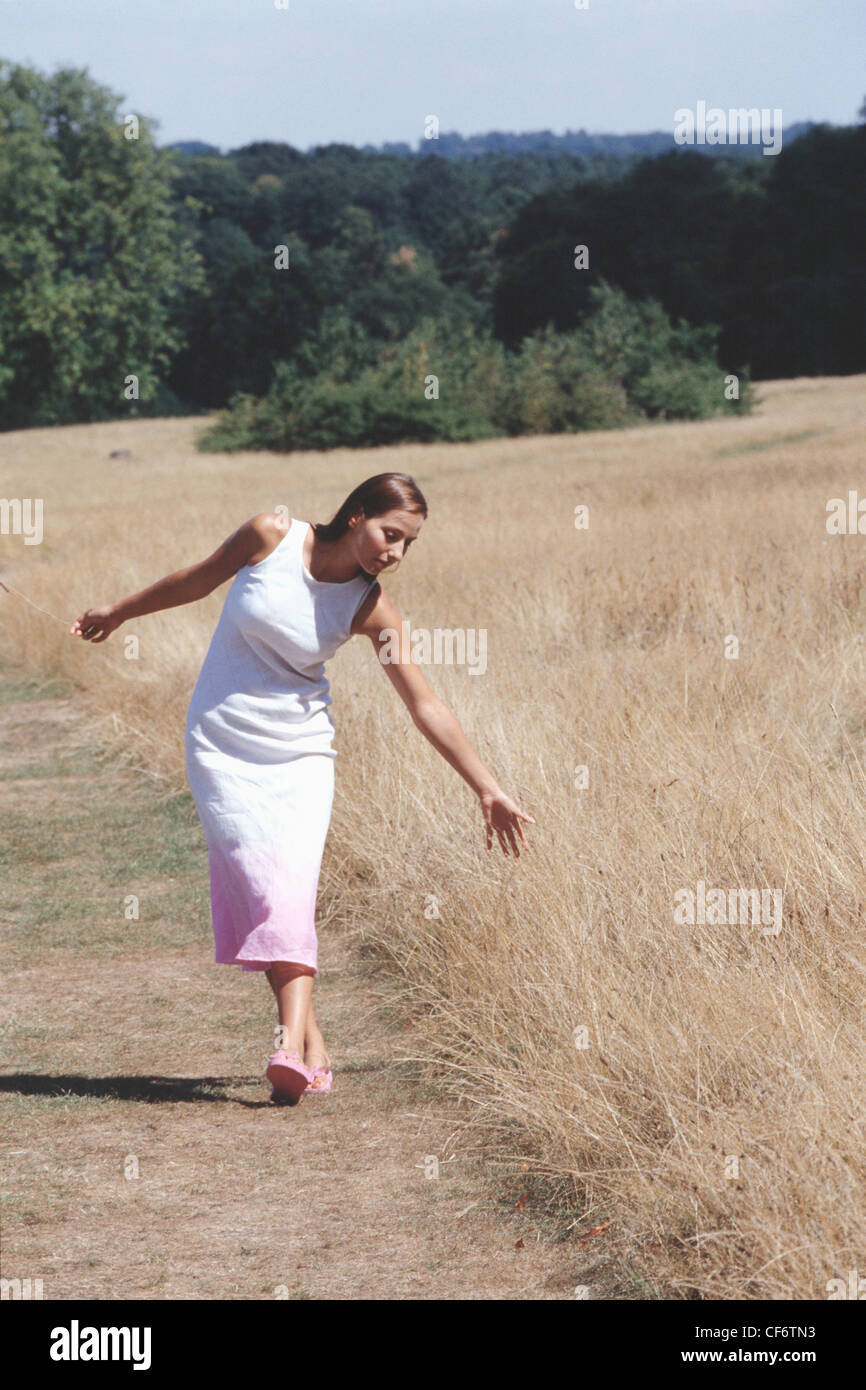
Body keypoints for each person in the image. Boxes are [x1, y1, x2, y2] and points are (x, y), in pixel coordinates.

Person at [70, 472, 535, 1105]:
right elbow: (197, 579)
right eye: (390, 534)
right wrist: (118, 612)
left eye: (408, 545)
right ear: (357, 516)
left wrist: (486, 787)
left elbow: (424, 703)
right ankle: (310, 1047)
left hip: (301, 756)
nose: (394, 553)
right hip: (221, 745)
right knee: (261, 887)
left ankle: (288, 1047)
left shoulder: (370, 608)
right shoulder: (270, 536)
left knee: (284, 891)